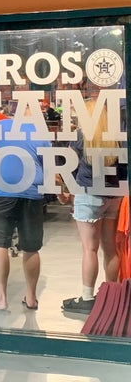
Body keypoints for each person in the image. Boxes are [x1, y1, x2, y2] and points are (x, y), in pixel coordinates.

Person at [0, 105, 50, 312]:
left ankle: (1, 299)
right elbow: (48, 163)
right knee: (31, 247)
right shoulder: (40, 130)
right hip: (32, 192)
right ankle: (31, 298)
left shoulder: (1, 125)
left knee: (0, 244)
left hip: (4, 190)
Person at [61, 99, 126, 314]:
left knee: (89, 248)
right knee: (110, 249)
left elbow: (68, 165)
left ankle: (87, 297)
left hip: (88, 194)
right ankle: (112, 296)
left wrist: (65, 189)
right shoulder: (116, 136)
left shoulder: (81, 136)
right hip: (113, 196)